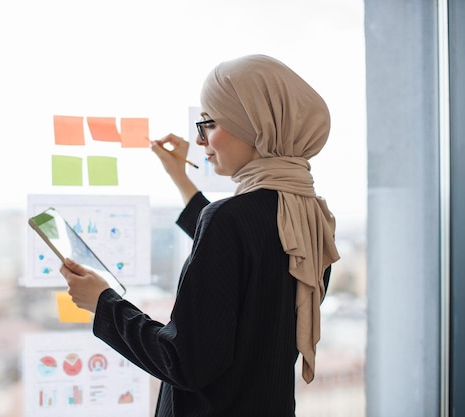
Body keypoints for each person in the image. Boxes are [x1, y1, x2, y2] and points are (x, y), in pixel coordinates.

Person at [60, 54, 340, 416]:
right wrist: (181, 178)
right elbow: (245, 263)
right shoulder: (309, 218)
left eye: (208, 123)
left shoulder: (229, 219)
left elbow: (184, 362)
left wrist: (103, 303)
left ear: (255, 125)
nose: (199, 138)